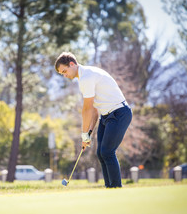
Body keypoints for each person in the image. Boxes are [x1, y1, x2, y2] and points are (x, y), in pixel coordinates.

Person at [54, 52, 132, 188]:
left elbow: (87, 110)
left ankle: (116, 188)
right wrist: (89, 133)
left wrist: (83, 135)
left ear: (72, 64)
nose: (65, 75)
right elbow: (95, 111)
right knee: (101, 154)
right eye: (62, 73)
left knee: (107, 151)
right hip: (105, 116)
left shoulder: (87, 77)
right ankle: (110, 188)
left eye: (65, 71)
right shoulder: (83, 78)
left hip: (119, 113)